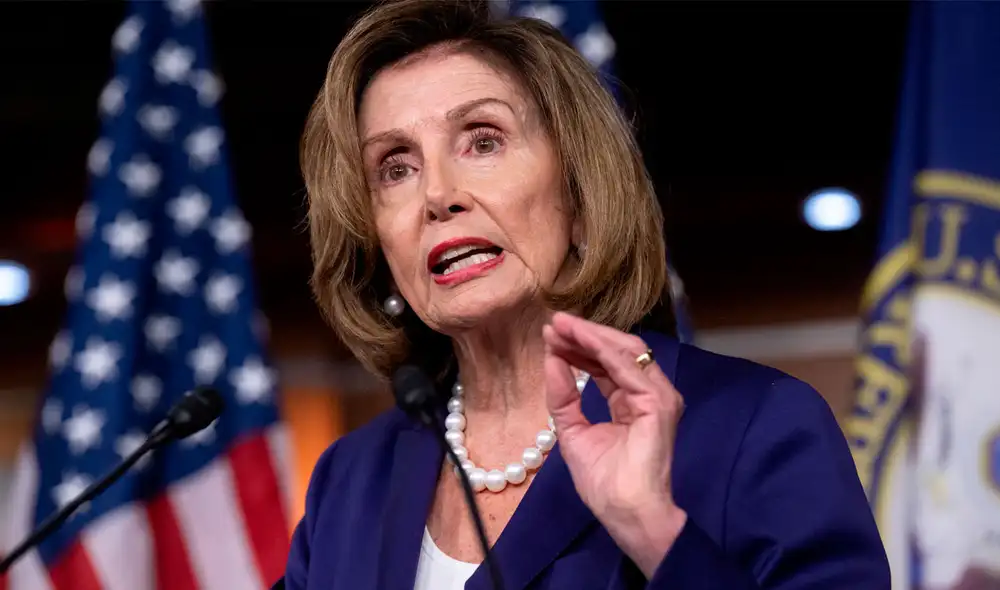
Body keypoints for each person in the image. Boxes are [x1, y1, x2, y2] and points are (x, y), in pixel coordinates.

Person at [277, 0, 891, 588]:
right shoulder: (351, 482)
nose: (438, 194)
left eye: (483, 140)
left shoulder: (754, 425)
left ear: (579, 195)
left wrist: (655, 533)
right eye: (395, 167)